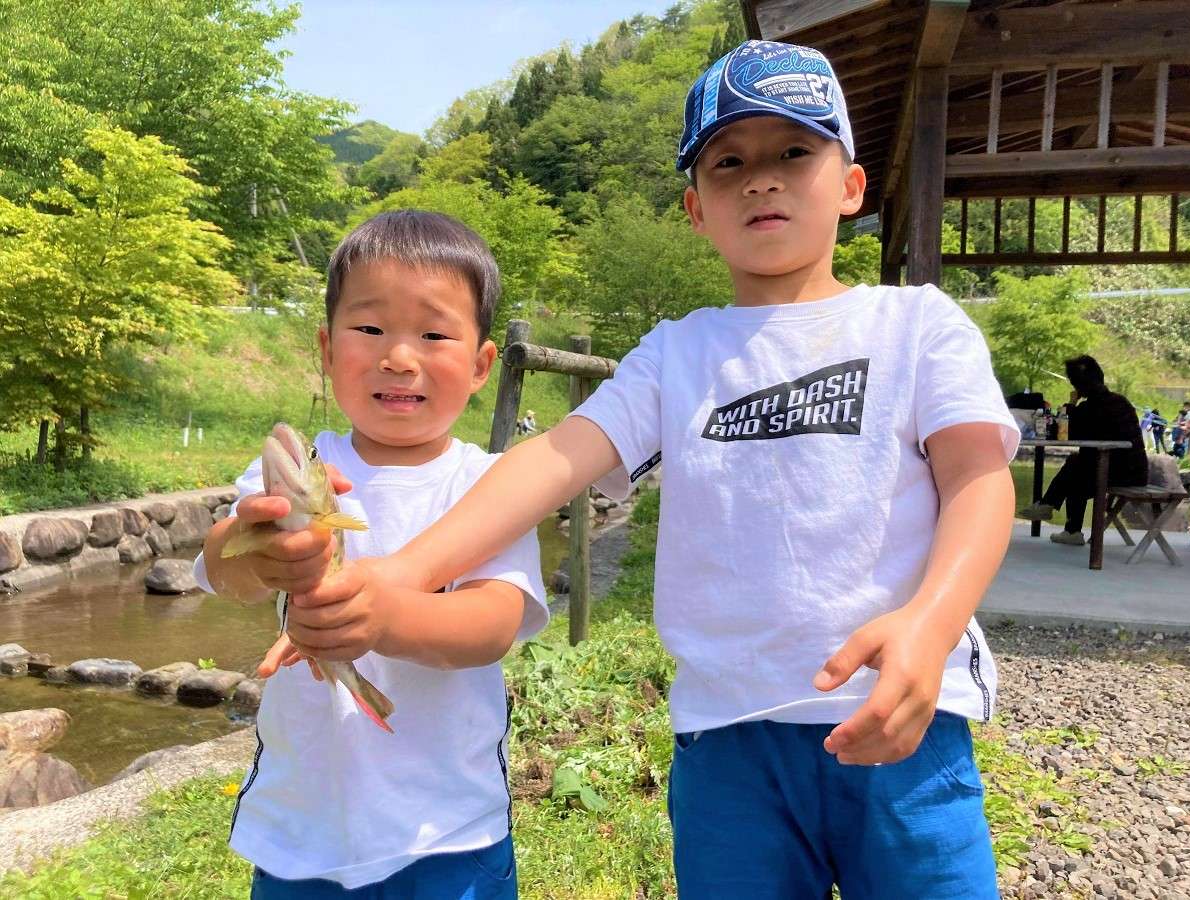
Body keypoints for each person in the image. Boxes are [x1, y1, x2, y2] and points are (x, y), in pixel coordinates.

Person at [284, 41, 1019, 899]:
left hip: (903, 717)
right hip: (724, 739)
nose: (760, 179)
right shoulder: (678, 354)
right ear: (696, 209)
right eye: (727, 163)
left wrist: (931, 623)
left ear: (851, 187)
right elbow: (554, 460)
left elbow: (978, 479)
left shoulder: (918, 323)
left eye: (794, 152)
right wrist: (402, 575)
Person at [196, 211, 548, 898]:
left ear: (481, 365)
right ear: (328, 350)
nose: (398, 357)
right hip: (303, 835)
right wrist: (258, 550)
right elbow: (221, 566)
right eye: (370, 329)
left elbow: (494, 624)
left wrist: (384, 618)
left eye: (433, 333)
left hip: (450, 831)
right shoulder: (309, 462)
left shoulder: (487, 483)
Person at [1022, 355, 1148, 544]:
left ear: (1078, 385)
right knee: (1077, 467)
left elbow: (1063, 432)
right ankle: (1066, 525)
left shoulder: (1090, 408)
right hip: (1134, 470)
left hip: (1119, 474)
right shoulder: (1120, 402)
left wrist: (1071, 404)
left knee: (1076, 468)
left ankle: (1051, 508)